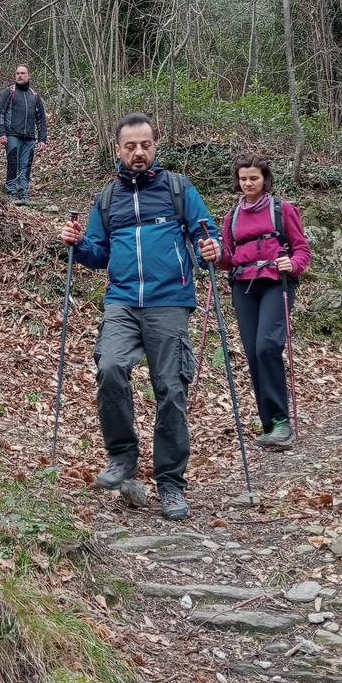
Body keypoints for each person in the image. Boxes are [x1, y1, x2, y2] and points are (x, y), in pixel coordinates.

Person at [60, 114, 221, 521]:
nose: (138, 152)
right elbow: (98, 253)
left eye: (145, 145)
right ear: (118, 149)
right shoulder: (107, 198)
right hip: (123, 300)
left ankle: (170, 483)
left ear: (155, 147)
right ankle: (122, 457)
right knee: (110, 366)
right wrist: (77, 244)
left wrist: (211, 249)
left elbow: (208, 233)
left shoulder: (178, 189)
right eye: (130, 146)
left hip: (169, 301)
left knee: (171, 389)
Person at [203, 154, 311, 450]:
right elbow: (227, 256)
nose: (248, 183)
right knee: (253, 352)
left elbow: (302, 249)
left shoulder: (283, 210)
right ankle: (270, 424)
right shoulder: (231, 216)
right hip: (243, 286)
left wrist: (294, 264)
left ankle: (281, 422)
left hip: (277, 282)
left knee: (267, 346)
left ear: (265, 180)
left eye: (254, 178)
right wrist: (214, 254)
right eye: (243, 178)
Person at [0, 65, 47, 203]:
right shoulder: (9, 92)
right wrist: (1, 133)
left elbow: (41, 118)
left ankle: (23, 191)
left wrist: (42, 139)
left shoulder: (34, 96)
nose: (20, 75)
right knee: (13, 161)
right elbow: (0, 112)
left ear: (28, 75)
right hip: (12, 134)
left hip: (29, 137)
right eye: (17, 73)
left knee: (26, 164)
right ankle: (11, 191)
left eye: (22, 73)